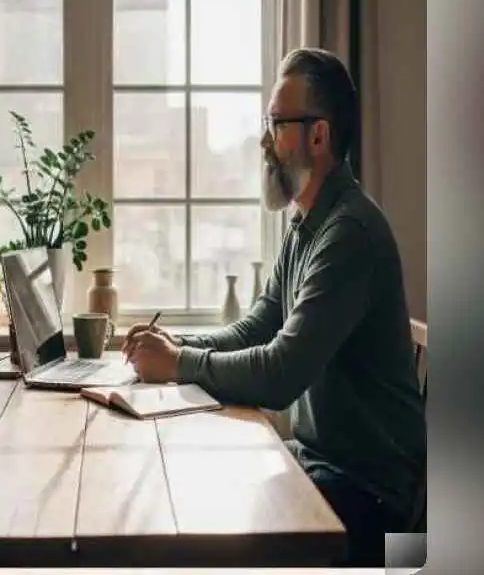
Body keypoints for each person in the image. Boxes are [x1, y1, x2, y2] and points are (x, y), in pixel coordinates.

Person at [122, 47, 426, 567]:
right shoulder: (307, 224)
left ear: (319, 135)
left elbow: (282, 372)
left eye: (276, 123)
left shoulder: (347, 234)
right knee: (198, 498)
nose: (264, 139)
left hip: (366, 498)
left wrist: (177, 364)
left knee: (208, 531)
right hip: (319, 466)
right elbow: (258, 325)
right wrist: (180, 344)